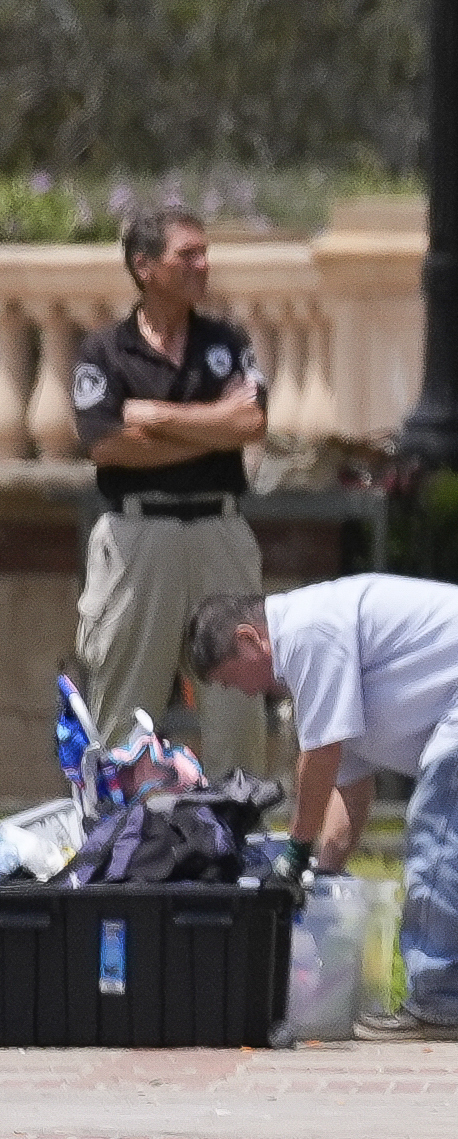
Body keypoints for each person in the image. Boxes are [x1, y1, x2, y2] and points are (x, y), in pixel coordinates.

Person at [185, 576, 458, 1043]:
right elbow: (350, 794)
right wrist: (318, 880)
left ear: (250, 639)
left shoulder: (306, 632)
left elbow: (318, 758)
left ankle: (438, 1003)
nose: (241, 693)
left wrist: (296, 853)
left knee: (441, 847)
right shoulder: (326, 661)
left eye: (230, 679)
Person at [71, 204, 268, 777]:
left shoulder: (227, 342)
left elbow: (251, 424)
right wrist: (213, 427)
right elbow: (105, 444)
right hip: (137, 539)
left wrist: (155, 415)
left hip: (220, 532)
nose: (204, 264)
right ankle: (118, 843)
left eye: (205, 252)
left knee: (239, 697)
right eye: (188, 254)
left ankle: (240, 838)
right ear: (145, 266)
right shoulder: (103, 352)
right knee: (123, 702)